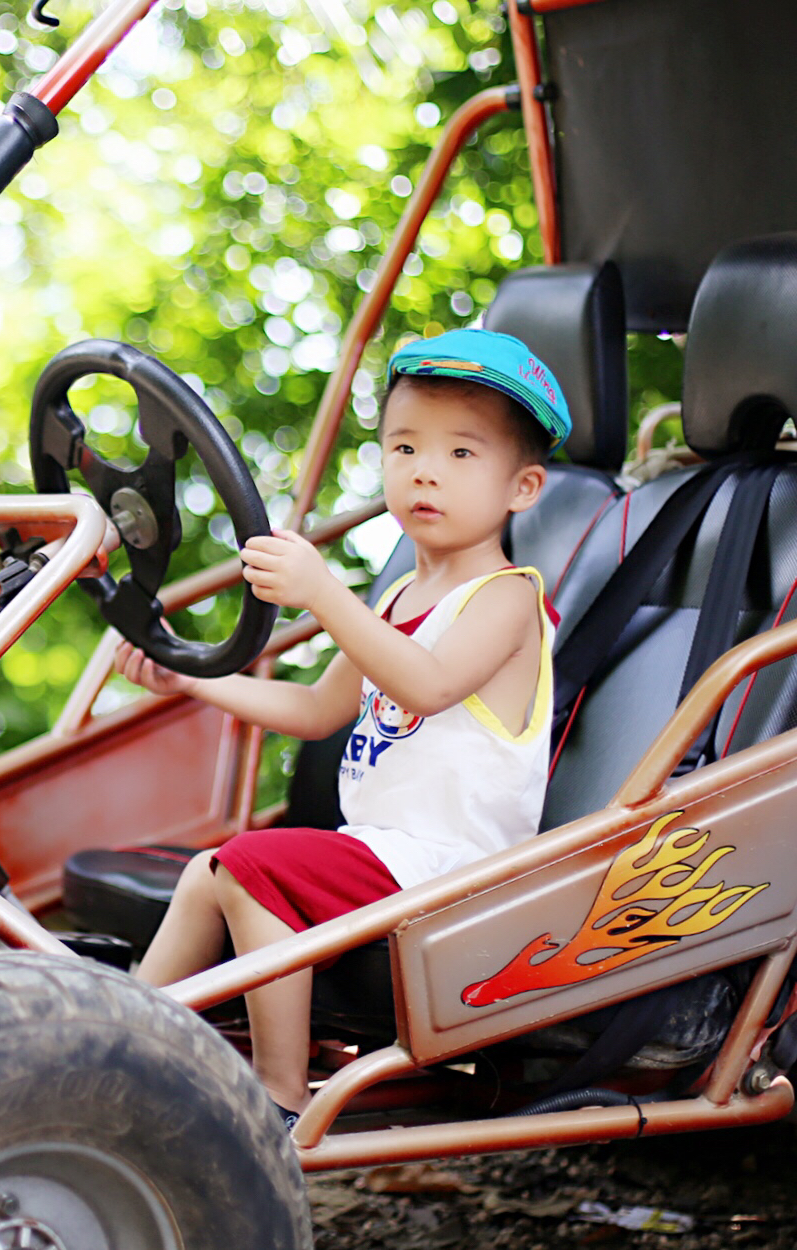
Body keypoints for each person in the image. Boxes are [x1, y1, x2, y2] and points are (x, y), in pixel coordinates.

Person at [120, 327, 571, 1130]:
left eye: (462, 455)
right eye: (403, 447)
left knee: (252, 864)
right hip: (387, 852)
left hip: (457, 867)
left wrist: (324, 592)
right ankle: (121, 1045)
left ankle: (282, 1101)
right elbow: (317, 711)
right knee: (208, 870)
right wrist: (190, 678)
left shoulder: (506, 599)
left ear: (523, 487)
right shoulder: (398, 599)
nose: (424, 470)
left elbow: (427, 686)